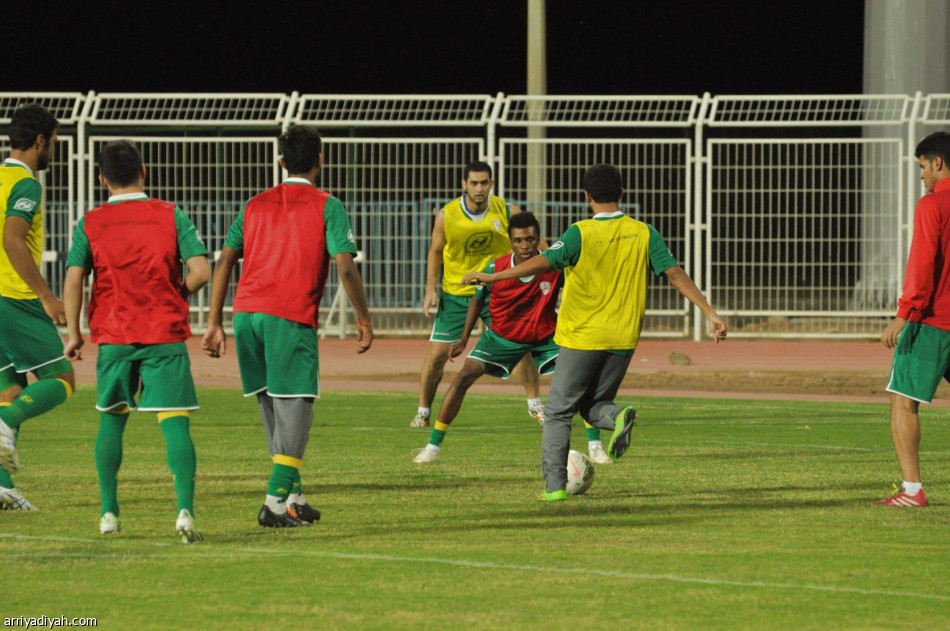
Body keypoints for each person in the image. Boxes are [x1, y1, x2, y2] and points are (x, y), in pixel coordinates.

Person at [463, 164, 727, 500]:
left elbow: (544, 261)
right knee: (593, 404)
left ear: (587, 196)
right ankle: (616, 416)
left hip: (583, 337)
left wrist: (493, 276)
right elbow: (675, 274)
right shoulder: (644, 232)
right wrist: (710, 313)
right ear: (622, 193)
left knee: (558, 412)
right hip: (623, 340)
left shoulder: (580, 232)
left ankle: (555, 488)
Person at [201, 125, 374, 528]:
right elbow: (345, 266)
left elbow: (225, 261)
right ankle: (274, 503)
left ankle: (294, 497)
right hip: (288, 315)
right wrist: (364, 317)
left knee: (273, 407)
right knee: (296, 409)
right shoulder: (327, 204)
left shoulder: (254, 204)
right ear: (319, 161)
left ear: (281, 162)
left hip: (246, 315)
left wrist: (213, 321)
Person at [63, 140, 209, 542]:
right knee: (175, 424)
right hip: (164, 335)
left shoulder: (91, 222)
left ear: (102, 179)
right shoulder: (170, 214)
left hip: (115, 337)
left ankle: (108, 513)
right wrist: (178, 293)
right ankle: (184, 511)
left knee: (111, 421)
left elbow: (74, 279)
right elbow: (201, 271)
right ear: (144, 172)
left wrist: (74, 333)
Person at [413, 211, 613, 464]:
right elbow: (477, 301)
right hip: (502, 338)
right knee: (464, 376)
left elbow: (581, 290)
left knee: (582, 378)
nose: (525, 245)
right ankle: (432, 446)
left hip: (545, 337)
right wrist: (463, 339)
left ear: (538, 239)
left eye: (530, 239)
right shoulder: (494, 268)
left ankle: (595, 446)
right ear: (511, 242)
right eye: (518, 240)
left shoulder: (554, 267)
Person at [412, 161, 545, 429]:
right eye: (474, 183)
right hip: (457, 294)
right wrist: (429, 289)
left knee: (521, 345)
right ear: (464, 184)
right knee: (437, 356)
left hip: (499, 292)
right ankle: (423, 413)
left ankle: (536, 406)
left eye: (484, 182)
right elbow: (436, 251)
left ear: (491, 184)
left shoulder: (507, 211)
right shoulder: (447, 215)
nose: (479, 188)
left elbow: (539, 246)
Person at [0, 104, 75, 510]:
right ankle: (7, 424)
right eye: (55, 142)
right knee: (62, 378)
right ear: (41, 141)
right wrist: (47, 296)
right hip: (14, 297)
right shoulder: (26, 184)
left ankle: (2, 487)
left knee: (10, 389)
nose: (54, 151)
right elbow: (13, 240)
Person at [878, 131, 950, 508]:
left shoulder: (932, 204)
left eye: (923, 166)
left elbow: (922, 265)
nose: (922, 175)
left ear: (937, 163)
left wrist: (904, 315)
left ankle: (911, 490)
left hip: (932, 323)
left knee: (903, 400)